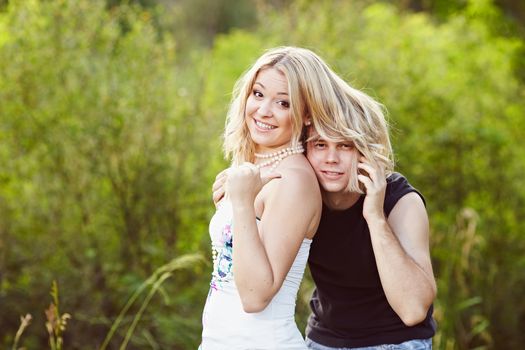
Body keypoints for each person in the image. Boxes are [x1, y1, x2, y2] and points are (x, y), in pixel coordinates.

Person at [212, 50, 437, 349]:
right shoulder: (303, 186)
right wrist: (240, 200)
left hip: (393, 341)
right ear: (305, 144)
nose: (331, 159)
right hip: (324, 339)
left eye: (344, 146)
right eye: (319, 144)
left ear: (364, 151)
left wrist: (375, 218)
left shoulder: (400, 201)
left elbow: (413, 309)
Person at [199, 46, 344, 350]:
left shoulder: (293, 180)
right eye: (258, 94)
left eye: (283, 102)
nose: (264, 110)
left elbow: (255, 296)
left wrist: (240, 204)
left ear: (306, 114)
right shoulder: (254, 169)